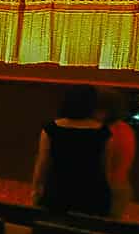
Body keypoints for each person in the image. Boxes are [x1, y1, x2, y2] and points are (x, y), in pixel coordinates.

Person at [32, 84, 112, 216]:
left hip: (58, 189)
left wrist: (36, 187)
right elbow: (105, 166)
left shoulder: (51, 128)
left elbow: (42, 162)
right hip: (92, 192)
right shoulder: (102, 131)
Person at [100, 91, 136, 218]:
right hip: (122, 186)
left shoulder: (104, 133)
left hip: (106, 189)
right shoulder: (126, 129)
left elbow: (105, 168)